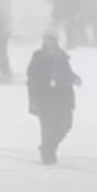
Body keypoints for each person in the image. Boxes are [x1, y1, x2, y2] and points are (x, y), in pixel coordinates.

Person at [25, 32, 80, 165]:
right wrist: (48, 81)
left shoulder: (61, 56)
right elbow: (33, 78)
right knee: (48, 128)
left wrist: (74, 78)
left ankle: (48, 148)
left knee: (65, 125)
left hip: (63, 98)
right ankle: (47, 155)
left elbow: (66, 72)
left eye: (53, 39)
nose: (51, 42)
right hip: (46, 99)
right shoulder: (39, 57)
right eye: (48, 39)